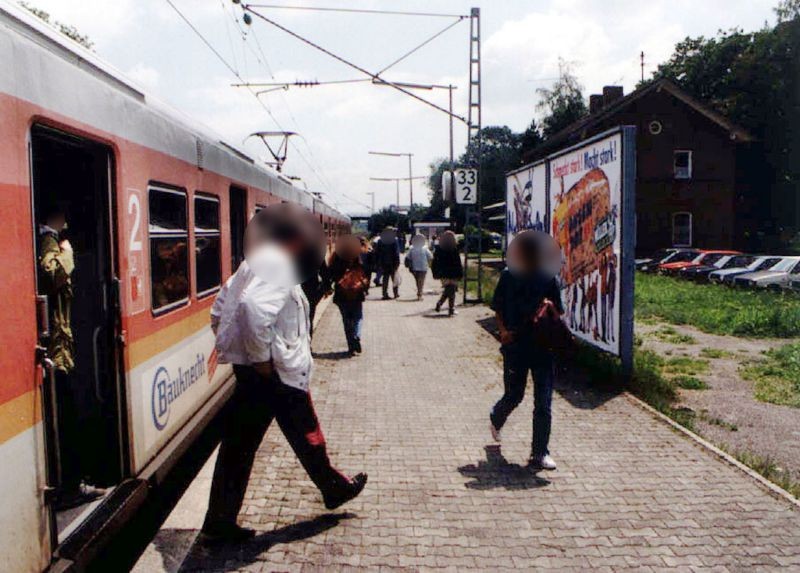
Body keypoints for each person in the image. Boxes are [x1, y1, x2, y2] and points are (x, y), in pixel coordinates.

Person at [202, 204, 367, 544]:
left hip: (260, 370)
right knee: (299, 430)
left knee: (246, 443)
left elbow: (219, 310)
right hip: (273, 372)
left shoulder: (256, 263)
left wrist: (239, 350)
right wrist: (261, 359)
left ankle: (330, 488)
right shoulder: (277, 263)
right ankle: (331, 488)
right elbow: (251, 310)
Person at [38, 207, 105, 508]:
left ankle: (72, 484)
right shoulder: (49, 242)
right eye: (63, 218)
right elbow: (53, 273)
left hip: (59, 345)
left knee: (68, 412)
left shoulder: (49, 239)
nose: (66, 225)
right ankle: (70, 488)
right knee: (67, 415)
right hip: (56, 348)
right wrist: (68, 253)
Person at [488, 230, 564, 471]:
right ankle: (496, 417)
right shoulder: (508, 277)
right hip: (516, 346)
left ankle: (540, 452)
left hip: (543, 347)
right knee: (514, 395)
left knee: (543, 402)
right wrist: (503, 331)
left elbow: (558, 313)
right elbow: (498, 307)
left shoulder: (548, 279)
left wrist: (549, 306)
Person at [326, 235, 370, 355]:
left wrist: (328, 287)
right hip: (357, 292)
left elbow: (330, 273)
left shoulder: (336, 256)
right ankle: (356, 335)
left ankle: (351, 346)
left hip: (341, 292)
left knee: (346, 320)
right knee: (358, 317)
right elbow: (368, 272)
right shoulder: (361, 255)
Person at [431, 230, 463, 316]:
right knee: (451, 290)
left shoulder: (439, 249)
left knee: (449, 290)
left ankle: (441, 303)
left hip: (443, 273)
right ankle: (451, 309)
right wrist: (460, 274)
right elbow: (458, 263)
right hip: (453, 273)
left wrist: (435, 273)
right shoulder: (454, 249)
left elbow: (434, 262)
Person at [374, 227, 401, 300]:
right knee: (394, 278)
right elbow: (396, 253)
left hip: (383, 263)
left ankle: (384, 294)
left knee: (385, 279)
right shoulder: (394, 240)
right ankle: (396, 293)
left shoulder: (380, 241)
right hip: (393, 263)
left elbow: (377, 253)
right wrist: (397, 263)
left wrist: (378, 263)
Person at [405, 234, 433, 300]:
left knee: (417, 280)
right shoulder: (425, 248)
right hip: (423, 267)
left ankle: (419, 292)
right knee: (421, 281)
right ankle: (420, 293)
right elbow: (430, 257)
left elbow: (408, 257)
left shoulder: (411, 248)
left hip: (414, 267)